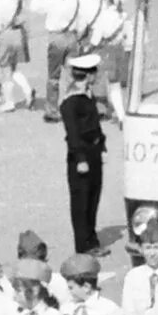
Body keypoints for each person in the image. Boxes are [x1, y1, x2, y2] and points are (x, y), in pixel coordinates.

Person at [59, 54, 108, 254]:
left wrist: (101, 145)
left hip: (94, 152)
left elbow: (93, 125)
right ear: (87, 76)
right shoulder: (71, 102)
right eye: (93, 72)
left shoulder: (87, 96)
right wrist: (80, 159)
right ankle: (83, 244)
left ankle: (92, 240)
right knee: (81, 202)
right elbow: (73, 134)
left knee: (93, 198)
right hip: (82, 157)